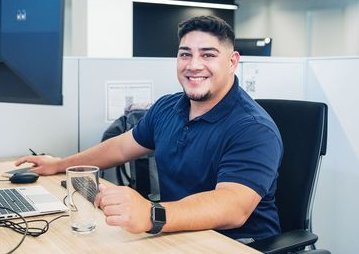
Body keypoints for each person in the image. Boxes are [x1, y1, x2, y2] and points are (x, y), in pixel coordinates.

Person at [15, 15, 283, 241]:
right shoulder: (168, 107)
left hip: (238, 244)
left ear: (233, 61)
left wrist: (151, 214)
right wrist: (60, 164)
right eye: (185, 54)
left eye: (208, 55)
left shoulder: (253, 128)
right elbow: (120, 147)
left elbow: (232, 207)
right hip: (178, 235)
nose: (193, 65)